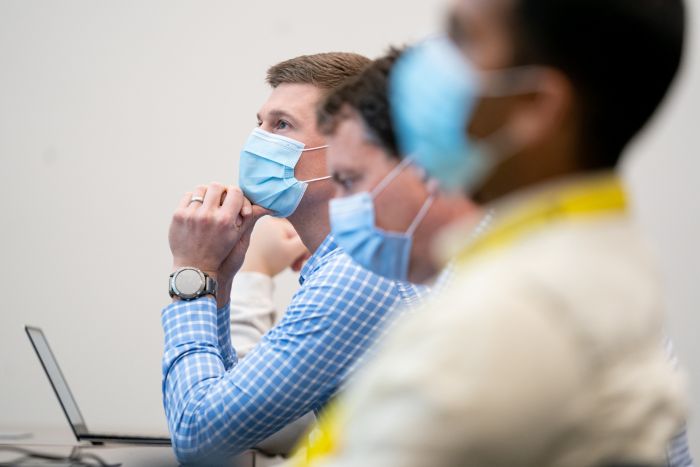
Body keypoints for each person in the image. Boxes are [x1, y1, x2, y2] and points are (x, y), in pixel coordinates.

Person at [300, 0, 691, 465]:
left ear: (534, 109)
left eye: (461, 36)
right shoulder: (597, 260)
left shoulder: (502, 318)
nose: (424, 65)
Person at [162, 52, 425, 464]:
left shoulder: (358, 273)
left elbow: (200, 439)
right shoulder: (358, 258)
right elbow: (243, 416)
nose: (257, 142)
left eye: (282, 125)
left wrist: (191, 272)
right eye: (260, 124)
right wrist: (220, 280)